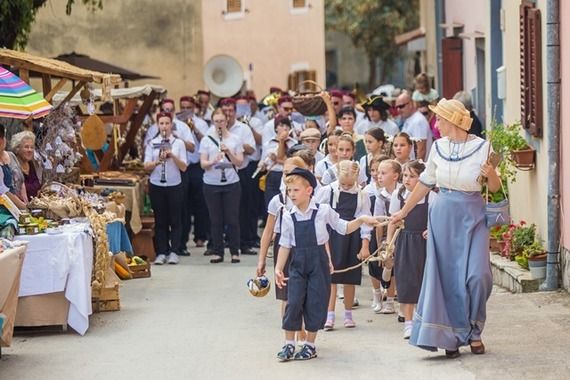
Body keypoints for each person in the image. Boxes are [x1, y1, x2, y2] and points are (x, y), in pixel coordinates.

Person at [391, 98, 500, 358]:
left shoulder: (484, 148)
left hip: (472, 215)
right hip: (442, 215)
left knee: (478, 276)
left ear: (452, 121)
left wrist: (491, 173)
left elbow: (494, 188)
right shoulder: (438, 147)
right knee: (446, 280)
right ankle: (452, 337)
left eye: (439, 118)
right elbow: (426, 182)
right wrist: (403, 212)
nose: (436, 123)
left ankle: (474, 328)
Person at [274, 167, 378, 361]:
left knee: (315, 302)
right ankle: (289, 344)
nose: (292, 194)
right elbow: (285, 244)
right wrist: (279, 268)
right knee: (293, 301)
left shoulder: (323, 211)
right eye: (289, 191)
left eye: (296, 190)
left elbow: (344, 228)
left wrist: (362, 219)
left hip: (318, 262)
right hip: (298, 262)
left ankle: (310, 345)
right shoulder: (288, 215)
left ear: (309, 190)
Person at [315, 160, 372, 330]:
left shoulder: (362, 195)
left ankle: (348, 313)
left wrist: (365, 245)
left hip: (352, 236)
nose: (346, 187)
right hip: (332, 235)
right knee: (331, 277)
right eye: (343, 183)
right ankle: (329, 314)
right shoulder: (327, 191)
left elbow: (365, 221)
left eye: (350, 184)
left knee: (350, 277)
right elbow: (317, 214)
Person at [387, 160, 437, 339]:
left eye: (412, 176)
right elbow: (393, 220)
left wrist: (431, 230)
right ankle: (408, 322)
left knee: (424, 280)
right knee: (406, 281)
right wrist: (389, 244)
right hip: (405, 241)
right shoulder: (398, 194)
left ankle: (422, 319)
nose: (407, 180)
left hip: (424, 243)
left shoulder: (431, 196)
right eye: (405, 176)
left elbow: (436, 218)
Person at [200, 108, 245, 264]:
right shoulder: (206, 140)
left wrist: (229, 152)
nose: (219, 124)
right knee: (216, 220)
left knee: (232, 218)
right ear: (213, 122)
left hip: (232, 183)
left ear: (226, 121)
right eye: (216, 121)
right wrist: (213, 161)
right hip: (211, 184)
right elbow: (203, 163)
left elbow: (240, 162)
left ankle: (235, 251)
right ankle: (218, 251)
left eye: (222, 121)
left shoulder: (235, 139)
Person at [144, 112, 188, 265]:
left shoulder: (178, 143)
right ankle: (161, 251)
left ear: (171, 125)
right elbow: (146, 166)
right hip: (157, 184)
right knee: (160, 220)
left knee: (175, 219)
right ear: (158, 125)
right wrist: (158, 161)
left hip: (174, 184)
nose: (164, 126)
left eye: (167, 123)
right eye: (161, 123)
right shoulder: (152, 142)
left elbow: (184, 167)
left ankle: (175, 251)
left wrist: (173, 156)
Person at [219, 98, 258, 256]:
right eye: (225, 111)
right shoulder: (214, 129)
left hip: (240, 171)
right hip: (220, 172)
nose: (228, 114)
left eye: (230, 111)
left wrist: (235, 143)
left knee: (243, 208)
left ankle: (245, 242)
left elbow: (251, 149)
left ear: (235, 112)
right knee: (221, 209)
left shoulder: (243, 128)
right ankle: (222, 242)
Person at [178, 96, 211, 250]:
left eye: (188, 107)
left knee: (200, 203)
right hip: (182, 166)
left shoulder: (202, 123)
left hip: (197, 165)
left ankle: (200, 236)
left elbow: (207, 142)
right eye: (182, 107)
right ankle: (183, 238)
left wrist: (194, 130)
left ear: (194, 108)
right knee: (183, 203)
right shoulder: (176, 124)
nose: (185, 110)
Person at [371, 160, 402, 314]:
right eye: (378, 173)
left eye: (383, 173)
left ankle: (390, 301)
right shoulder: (380, 196)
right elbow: (378, 222)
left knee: (396, 268)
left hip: (401, 232)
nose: (379, 176)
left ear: (395, 176)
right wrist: (379, 245)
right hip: (384, 233)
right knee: (384, 263)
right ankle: (379, 294)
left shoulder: (403, 192)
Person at [260, 116, 298, 209]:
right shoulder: (269, 143)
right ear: (276, 128)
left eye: (287, 125)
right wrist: (262, 165)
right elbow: (263, 159)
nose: (284, 128)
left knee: (287, 204)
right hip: (273, 175)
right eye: (281, 125)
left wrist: (277, 160)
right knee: (271, 206)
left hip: (288, 175)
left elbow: (292, 161)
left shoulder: (293, 143)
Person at [395, 92, 432, 161]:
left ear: (411, 104)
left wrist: (416, 169)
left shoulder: (418, 121)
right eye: (397, 107)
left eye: (401, 106)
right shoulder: (410, 119)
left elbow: (421, 149)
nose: (398, 110)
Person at [10, 130, 43, 201]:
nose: (30, 150)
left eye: (32, 147)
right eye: (26, 147)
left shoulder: (33, 164)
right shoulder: (13, 167)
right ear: (17, 149)